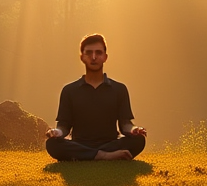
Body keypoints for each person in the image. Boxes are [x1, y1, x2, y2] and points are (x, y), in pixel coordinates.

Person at [45, 33, 147, 161]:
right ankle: (103, 156)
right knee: (52, 144)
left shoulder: (119, 89)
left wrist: (134, 130)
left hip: (110, 144)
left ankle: (86, 156)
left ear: (105, 57)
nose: (94, 57)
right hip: (80, 144)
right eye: (89, 53)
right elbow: (64, 125)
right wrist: (56, 132)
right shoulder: (69, 90)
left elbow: (125, 124)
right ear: (82, 57)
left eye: (98, 53)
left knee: (138, 140)